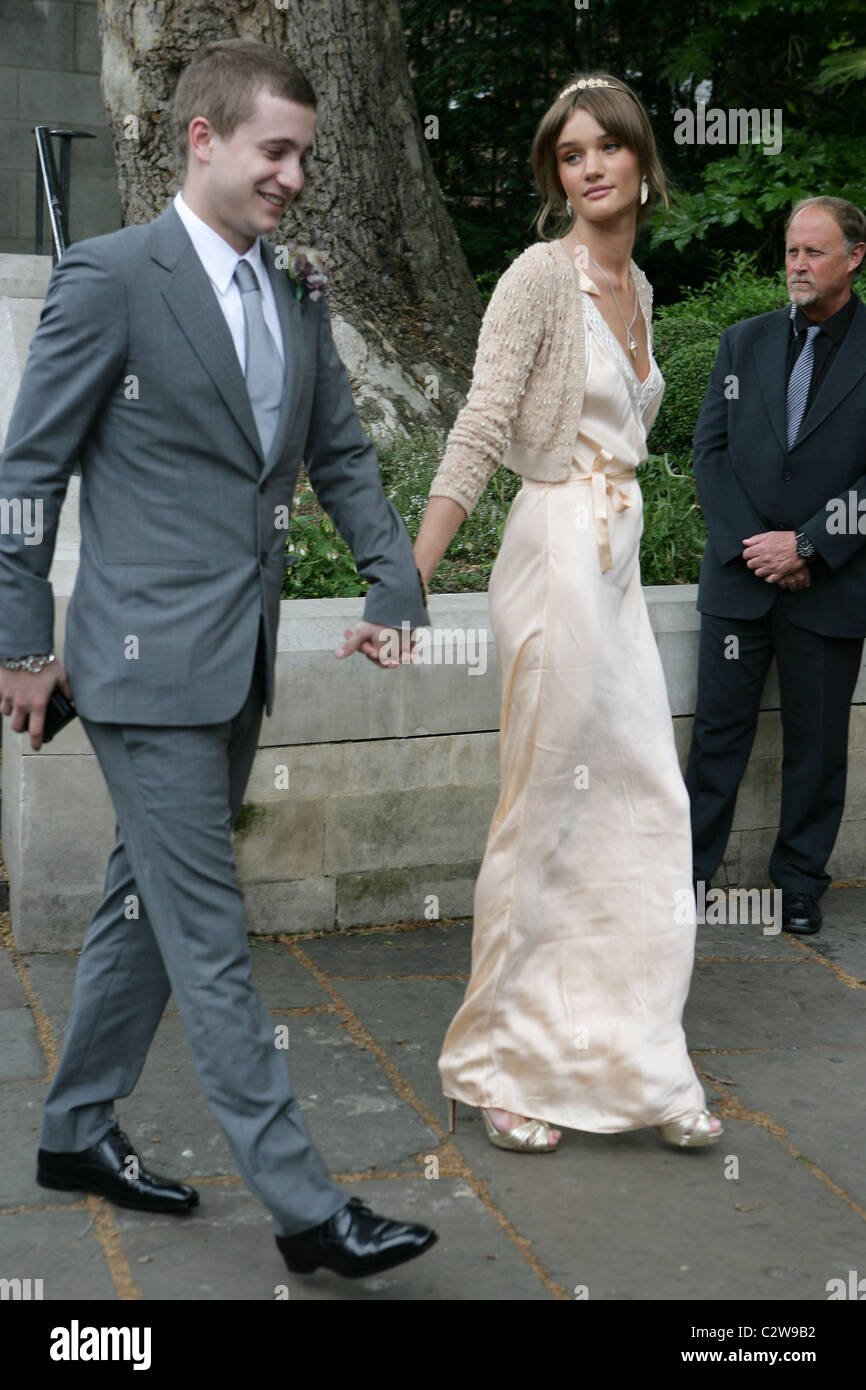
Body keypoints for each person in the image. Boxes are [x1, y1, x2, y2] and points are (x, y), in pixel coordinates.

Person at [0, 38, 437, 1281]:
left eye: (306, 153)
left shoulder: (296, 289)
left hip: (233, 661)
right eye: (275, 150)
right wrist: (21, 643)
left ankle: (74, 1130)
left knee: (142, 908)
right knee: (208, 934)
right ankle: (308, 1212)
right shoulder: (110, 279)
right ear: (201, 138)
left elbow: (341, 455)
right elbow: (25, 475)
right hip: (139, 676)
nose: (295, 175)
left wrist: (391, 577)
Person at [413, 73, 722, 1153]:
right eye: (568, 153)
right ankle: (503, 1067)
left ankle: (639, 1063)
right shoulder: (536, 280)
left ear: (641, 160)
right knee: (541, 812)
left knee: (645, 809)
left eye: (606, 147)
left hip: (619, 569)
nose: (587, 166)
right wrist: (414, 571)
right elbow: (481, 423)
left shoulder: (636, 288)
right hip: (552, 556)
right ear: (557, 173)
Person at [685, 197, 866, 938]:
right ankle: (687, 879)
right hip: (738, 581)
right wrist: (753, 547)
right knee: (715, 740)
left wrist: (811, 546)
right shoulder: (744, 343)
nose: (797, 265)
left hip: (835, 583)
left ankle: (797, 884)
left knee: (817, 745)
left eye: (814, 252)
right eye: (792, 251)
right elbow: (710, 453)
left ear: (855, 257)